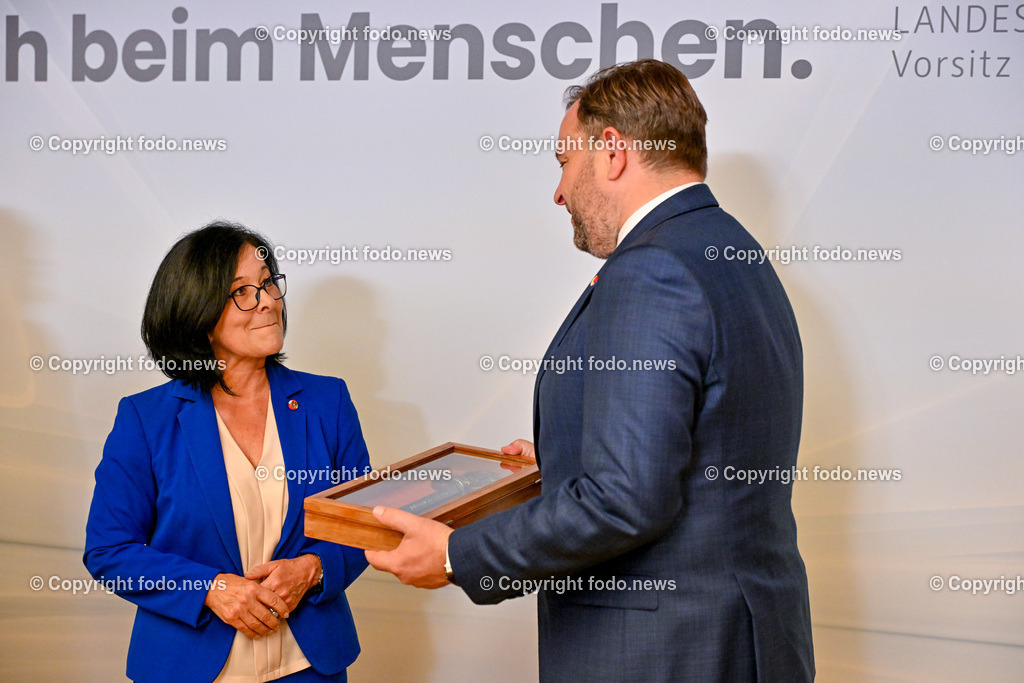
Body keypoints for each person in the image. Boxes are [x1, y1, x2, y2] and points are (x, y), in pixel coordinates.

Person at [364, 59, 815, 681]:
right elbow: (701, 442)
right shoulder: (735, 253)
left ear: (611, 152)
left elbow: (626, 500)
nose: (558, 191)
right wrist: (567, 459)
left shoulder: (651, 273)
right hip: (746, 635)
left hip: (665, 649)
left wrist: (454, 556)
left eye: (563, 163)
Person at [84, 222, 370, 682]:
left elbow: (365, 523)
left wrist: (313, 568)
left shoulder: (328, 401)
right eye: (242, 291)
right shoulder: (145, 419)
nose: (268, 301)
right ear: (197, 310)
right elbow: (109, 550)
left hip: (310, 667)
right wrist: (210, 589)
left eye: (268, 282)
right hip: (188, 668)